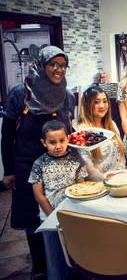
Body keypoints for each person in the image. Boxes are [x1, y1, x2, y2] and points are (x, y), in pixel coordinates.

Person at [1, 45, 75, 279]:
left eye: (62, 65)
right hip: (26, 162)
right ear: (42, 65)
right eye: (53, 64)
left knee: (61, 210)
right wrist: (9, 170)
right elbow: (7, 135)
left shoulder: (66, 94)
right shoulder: (20, 93)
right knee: (33, 215)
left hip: (59, 164)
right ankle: (40, 267)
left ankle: (65, 259)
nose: (58, 69)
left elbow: (68, 129)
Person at [29, 120, 87, 280]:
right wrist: (53, 216)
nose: (58, 146)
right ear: (44, 142)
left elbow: (81, 188)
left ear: (68, 139)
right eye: (52, 142)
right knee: (55, 257)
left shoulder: (77, 160)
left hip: (73, 216)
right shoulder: (39, 164)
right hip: (49, 218)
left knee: (77, 253)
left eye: (62, 141)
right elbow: (39, 195)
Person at [76, 85, 126, 181]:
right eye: (96, 102)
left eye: (105, 101)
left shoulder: (112, 124)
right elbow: (88, 168)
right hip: (99, 184)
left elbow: (121, 155)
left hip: (119, 180)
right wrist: (106, 181)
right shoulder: (82, 132)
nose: (102, 106)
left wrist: (120, 174)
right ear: (87, 105)